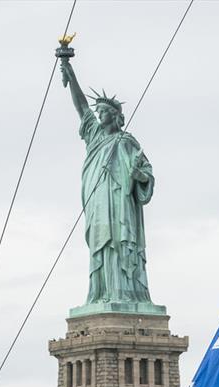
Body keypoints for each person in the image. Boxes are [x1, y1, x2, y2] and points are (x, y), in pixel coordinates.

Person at [59, 58, 154, 305]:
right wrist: (71, 74)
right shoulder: (94, 136)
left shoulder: (127, 141)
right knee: (101, 246)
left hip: (121, 203)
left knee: (120, 244)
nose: (98, 114)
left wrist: (138, 176)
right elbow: (81, 107)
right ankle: (101, 293)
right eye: (98, 111)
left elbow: (146, 173)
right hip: (99, 200)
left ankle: (126, 293)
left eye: (102, 111)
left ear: (114, 116)